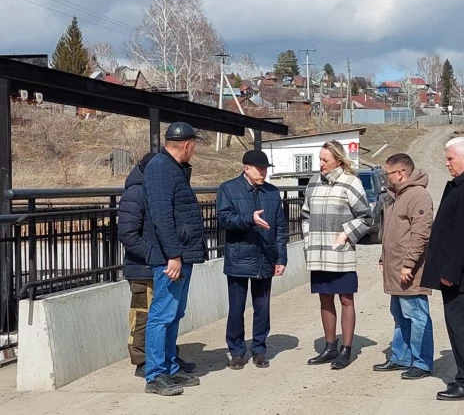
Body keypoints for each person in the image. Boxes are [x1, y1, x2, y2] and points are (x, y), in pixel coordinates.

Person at [420, 136, 464, 401]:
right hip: (462, 271)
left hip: (460, 273)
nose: (446, 163)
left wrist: (451, 270)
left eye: (450, 158)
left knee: (461, 326)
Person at [142, 122, 207, 396]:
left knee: (174, 313)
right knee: (162, 315)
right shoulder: (160, 168)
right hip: (170, 258)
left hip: (180, 254)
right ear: (186, 145)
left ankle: (169, 368)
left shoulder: (173, 168)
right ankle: (155, 374)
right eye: (194, 145)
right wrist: (174, 255)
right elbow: (162, 217)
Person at [118, 152, 196, 379]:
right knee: (144, 316)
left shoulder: (157, 190)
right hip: (143, 267)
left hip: (160, 264)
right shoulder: (136, 193)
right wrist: (155, 254)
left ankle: (164, 360)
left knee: (167, 315)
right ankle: (144, 362)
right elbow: (128, 234)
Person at [301, 140, 373, 369]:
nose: (320, 164)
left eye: (325, 160)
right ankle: (330, 346)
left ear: (338, 161)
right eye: (319, 159)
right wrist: (307, 240)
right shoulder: (313, 183)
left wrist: (345, 235)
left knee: (345, 298)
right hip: (318, 253)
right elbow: (305, 215)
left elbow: (366, 217)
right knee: (324, 297)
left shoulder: (351, 183)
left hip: (341, 252)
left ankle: (346, 349)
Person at [216, 149, 288, 370]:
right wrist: (250, 219)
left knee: (262, 306)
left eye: (266, 169)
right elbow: (224, 219)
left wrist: (281, 258)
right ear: (246, 168)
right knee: (236, 308)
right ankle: (237, 351)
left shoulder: (272, 193)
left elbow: (280, 229)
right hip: (239, 257)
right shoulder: (228, 189)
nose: (263, 173)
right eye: (260, 169)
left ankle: (259, 349)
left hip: (265, 257)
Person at [373, 153, 434, 380]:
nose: (385, 178)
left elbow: (420, 234)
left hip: (409, 271)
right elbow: (391, 234)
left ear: (399, 173)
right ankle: (401, 356)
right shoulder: (396, 196)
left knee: (417, 315)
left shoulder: (418, 196)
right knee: (400, 314)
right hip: (395, 268)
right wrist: (383, 258)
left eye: (387, 173)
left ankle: (422, 362)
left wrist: (408, 264)